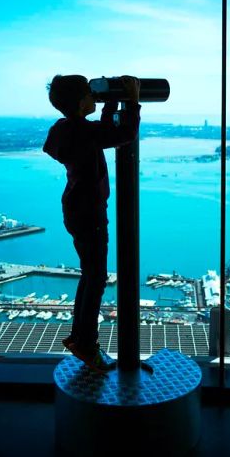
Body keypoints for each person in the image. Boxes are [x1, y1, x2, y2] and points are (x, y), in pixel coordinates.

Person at [43, 74, 141, 373]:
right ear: (80, 101)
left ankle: (80, 338)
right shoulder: (82, 132)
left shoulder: (63, 129)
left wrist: (110, 102)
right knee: (96, 279)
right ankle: (86, 343)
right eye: (89, 92)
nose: (92, 96)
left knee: (90, 276)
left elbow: (102, 131)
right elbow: (123, 134)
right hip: (90, 213)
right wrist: (133, 99)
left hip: (75, 209)